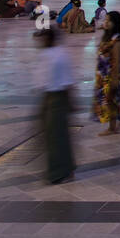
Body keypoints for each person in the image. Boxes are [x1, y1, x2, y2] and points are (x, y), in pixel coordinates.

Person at [37, 27, 76, 184]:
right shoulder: (48, 54)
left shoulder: (60, 56)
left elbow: (68, 81)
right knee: (52, 135)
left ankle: (60, 172)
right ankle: (64, 168)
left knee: (57, 137)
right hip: (48, 98)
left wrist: (71, 102)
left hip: (58, 99)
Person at [95, 12, 120, 134]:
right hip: (104, 74)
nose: (106, 22)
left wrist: (114, 80)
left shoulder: (116, 41)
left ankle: (112, 127)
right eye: (105, 20)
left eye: (109, 20)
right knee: (111, 99)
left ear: (116, 24)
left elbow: (117, 62)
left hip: (112, 75)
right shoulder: (108, 37)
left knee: (110, 100)